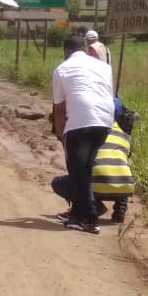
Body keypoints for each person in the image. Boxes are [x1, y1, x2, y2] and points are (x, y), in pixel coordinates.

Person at [51, 34, 115, 234]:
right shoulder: (104, 68)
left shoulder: (62, 69)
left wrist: (61, 134)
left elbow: (59, 109)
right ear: (86, 49)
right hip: (104, 122)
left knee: (78, 172)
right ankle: (77, 213)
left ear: (66, 51)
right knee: (84, 169)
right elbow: (106, 95)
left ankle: (89, 218)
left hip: (79, 123)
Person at [51, 97, 135, 223]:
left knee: (60, 182)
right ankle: (120, 211)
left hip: (95, 186)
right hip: (124, 187)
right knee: (120, 171)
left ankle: (93, 205)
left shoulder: (89, 130)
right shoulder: (125, 135)